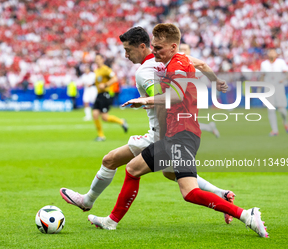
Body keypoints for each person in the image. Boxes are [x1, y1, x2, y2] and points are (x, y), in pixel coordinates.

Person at [86, 24, 268, 238]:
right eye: (153, 47)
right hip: (185, 133)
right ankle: (245, 213)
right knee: (181, 187)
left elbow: (177, 95)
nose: (154, 52)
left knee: (139, 171)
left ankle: (111, 221)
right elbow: (201, 63)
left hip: (180, 134)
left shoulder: (177, 64)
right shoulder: (179, 59)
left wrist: (145, 99)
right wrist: (215, 80)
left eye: (159, 48)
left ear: (173, 47)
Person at [60, 26, 235, 226]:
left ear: (143, 46)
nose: (125, 55)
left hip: (162, 134)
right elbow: (202, 64)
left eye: (128, 50)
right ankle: (221, 194)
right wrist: (218, 81)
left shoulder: (145, 71)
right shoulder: (170, 58)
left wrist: (161, 138)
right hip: (182, 128)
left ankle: (89, 203)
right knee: (172, 173)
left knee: (111, 161)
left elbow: (163, 101)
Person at [179, 43, 220, 138]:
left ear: (190, 51)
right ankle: (209, 127)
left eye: (185, 49)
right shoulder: (176, 65)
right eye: (181, 49)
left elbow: (205, 84)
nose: (183, 51)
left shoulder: (195, 67)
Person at [92, 54, 128, 141]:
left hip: (105, 94)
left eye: (98, 59)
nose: (97, 61)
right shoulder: (96, 70)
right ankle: (101, 136)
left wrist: (105, 84)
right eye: (96, 59)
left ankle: (121, 121)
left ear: (102, 60)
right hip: (99, 94)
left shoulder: (106, 69)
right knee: (95, 114)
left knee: (104, 117)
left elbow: (115, 78)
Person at [260, 48, 288, 136]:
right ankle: (275, 130)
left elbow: (287, 74)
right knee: (271, 109)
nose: (272, 53)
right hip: (268, 89)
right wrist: (259, 88)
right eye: (270, 52)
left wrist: (283, 79)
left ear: (276, 54)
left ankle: (285, 122)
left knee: (282, 110)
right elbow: (262, 76)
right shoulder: (264, 64)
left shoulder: (281, 62)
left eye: (273, 52)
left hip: (278, 88)